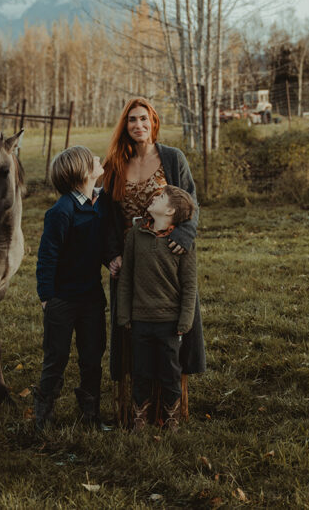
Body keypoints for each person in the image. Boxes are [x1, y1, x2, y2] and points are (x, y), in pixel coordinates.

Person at [101, 97, 206, 428]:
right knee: (132, 332)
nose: (138, 125)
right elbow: (104, 218)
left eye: (143, 119)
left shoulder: (173, 159)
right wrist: (111, 255)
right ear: (125, 125)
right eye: (131, 120)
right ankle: (136, 410)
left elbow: (190, 203)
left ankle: (171, 409)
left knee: (171, 333)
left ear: (154, 122)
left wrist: (185, 237)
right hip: (131, 258)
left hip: (168, 257)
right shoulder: (115, 164)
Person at [32, 146, 111, 433]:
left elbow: (98, 245)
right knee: (57, 356)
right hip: (62, 300)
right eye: (93, 159)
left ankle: (90, 413)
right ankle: (44, 416)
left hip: (91, 298)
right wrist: (46, 297)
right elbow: (47, 256)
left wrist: (110, 259)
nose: (98, 160)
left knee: (92, 356)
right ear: (82, 172)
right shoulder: (61, 211)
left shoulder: (100, 204)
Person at [116, 185, 198, 432]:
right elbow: (126, 277)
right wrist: (124, 314)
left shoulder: (182, 244)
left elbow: (189, 284)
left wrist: (185, 321)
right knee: (140, 371)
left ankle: (171, 419)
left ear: (170, 210)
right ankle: (139, 417)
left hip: (169, 322)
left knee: (170, 372)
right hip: (140, 319)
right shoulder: (135, 236)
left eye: (161, 197)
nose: (154, 197)